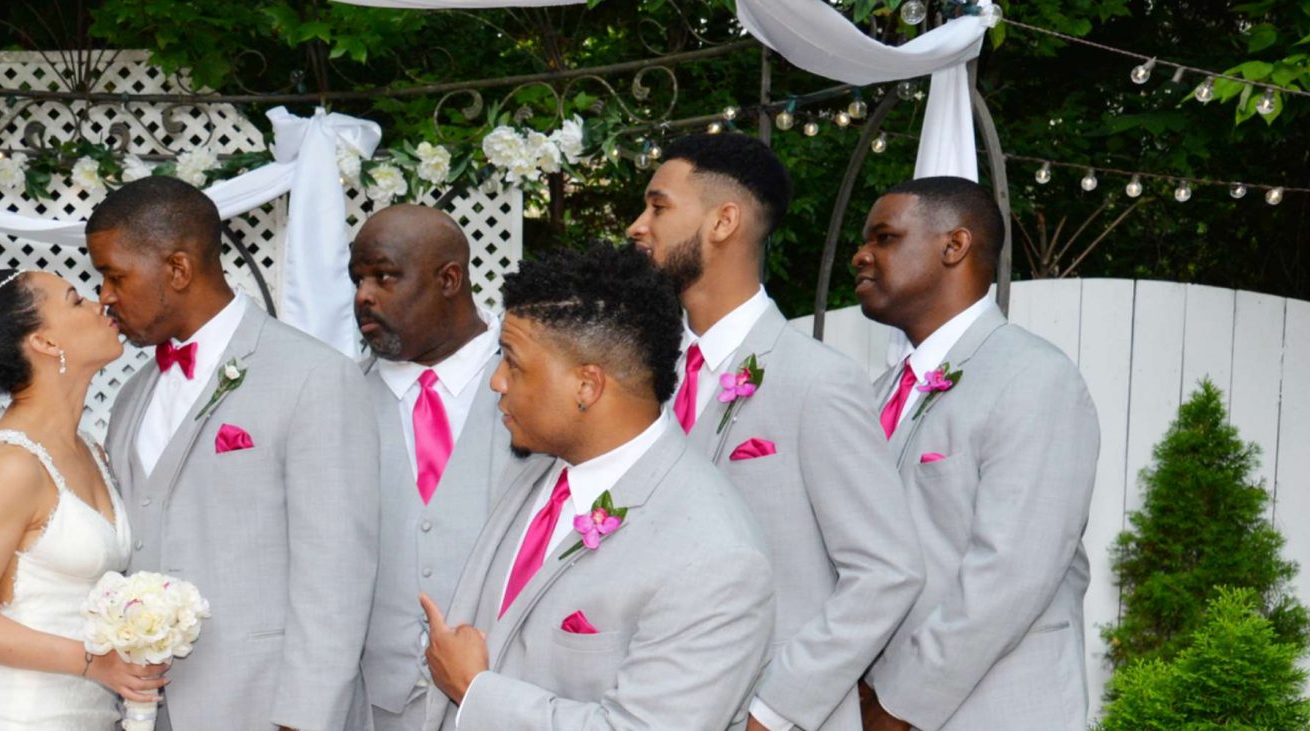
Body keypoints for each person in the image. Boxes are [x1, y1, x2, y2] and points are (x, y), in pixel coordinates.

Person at [628, 134, 924, 731]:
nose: (638, 226)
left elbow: (887, 570)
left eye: (658, 207)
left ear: (723, 221)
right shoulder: (639, 379)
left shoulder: (817, 382)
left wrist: (778, 709)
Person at [421, 244, 775, 730]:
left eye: (513, 362)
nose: (497, 382)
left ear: (587, 385)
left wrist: (476, 692)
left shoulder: (717, 557)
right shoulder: (534, 469)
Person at [85, 176, 381, 731]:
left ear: (177, 269)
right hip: (143, 712)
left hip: (262, 707)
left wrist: (303, 720)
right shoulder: (130, 396)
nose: (104, 295)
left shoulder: (315, 377)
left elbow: (337, 573)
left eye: (114, 276)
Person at [855, 177, 1098, 731]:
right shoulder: (878, 395)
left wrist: (894, 704)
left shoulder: (1034, 377)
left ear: (954, 246)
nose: (861, 254)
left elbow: (1011, 572)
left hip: (994, 710)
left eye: (885, 237)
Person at [0, 269, 164, 730]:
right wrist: (91, 661)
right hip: (16, 713)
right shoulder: (8, 463)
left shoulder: (91, 450)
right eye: (74, 300)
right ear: (45, 343)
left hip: (89, 712)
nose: (98, 304)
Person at [344, 204, 525, 731]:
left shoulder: (537, 387)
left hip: (508, 698)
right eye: (357, 279)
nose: (364, 295)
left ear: (450, 279)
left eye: (383, 275)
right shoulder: (339, 399)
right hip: (373, 708)